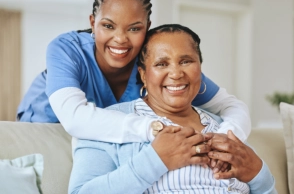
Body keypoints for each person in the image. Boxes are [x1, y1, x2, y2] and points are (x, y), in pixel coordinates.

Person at [17, 0, 250, 144]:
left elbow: (232, 106)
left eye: (134, 28)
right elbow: (74, 118)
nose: (120, 39)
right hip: (45, 128)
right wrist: (155, 129)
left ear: (147, 28)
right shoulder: (67, 49)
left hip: (101, 139)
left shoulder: (158, 65)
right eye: (108, 26)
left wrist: (228, 135)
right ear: (92, 23)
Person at [68, 24, 276, 194]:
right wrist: (155, 160)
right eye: (161, 64)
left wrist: (259, 174)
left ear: (199, 70)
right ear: (143, 75)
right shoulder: (106, 123)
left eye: (186, 61)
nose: (176, 73)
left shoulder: (225, 127)